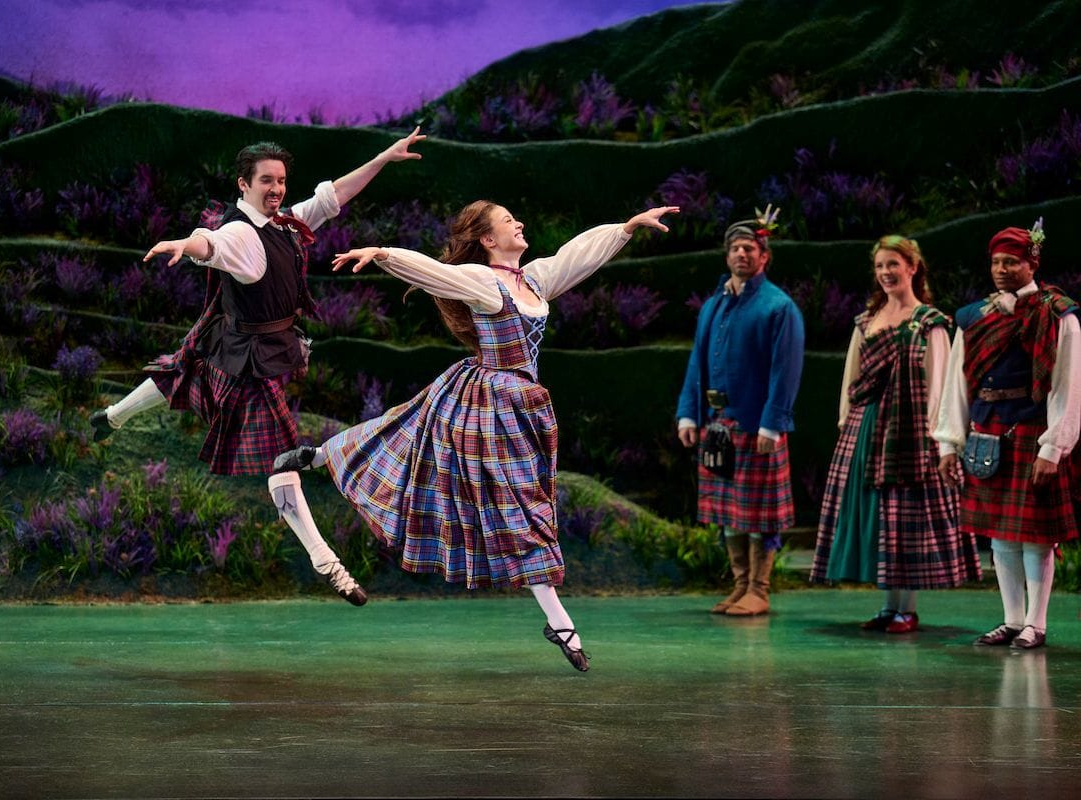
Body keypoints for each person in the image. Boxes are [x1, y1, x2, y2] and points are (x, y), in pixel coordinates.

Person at [269, 200, 679, 671]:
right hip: (491, 407)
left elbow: (576, 255)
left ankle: (318, 455)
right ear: (487, 240)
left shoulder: (535, 280)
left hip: (525, 406)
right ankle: (560, 622)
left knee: (423, 442)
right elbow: (438, 275)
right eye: (508, 221)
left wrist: (625, 226)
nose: (520, 223)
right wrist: (386, 254)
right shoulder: (486, 283)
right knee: (505, 497)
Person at [90, 128, 425, 603]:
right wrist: (187, 244)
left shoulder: (284, 223)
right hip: (247, 358)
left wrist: (384, 158)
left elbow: (331, 197)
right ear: (242, 185)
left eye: (282, 180)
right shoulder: (242, 234)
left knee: (182, 371)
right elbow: (214, 243)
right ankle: (325, 561)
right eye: (267, 181)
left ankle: (111, 417)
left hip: (233, 338)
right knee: (284, 453)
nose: (277, 189)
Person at [809, 235, 981, 632]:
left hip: (910, 431)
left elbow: (939, 383)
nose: (886, 273)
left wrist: (941, 440)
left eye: (894, 265)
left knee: (906, 518)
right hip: (867, 427)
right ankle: (889, 606)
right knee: (879, 517)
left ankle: (907, 607)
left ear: (912, 267)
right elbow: (851, 377)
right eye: (880, 266)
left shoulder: (931, 323)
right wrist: (846, 423)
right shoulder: (867, 321)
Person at [934, 220, 1080, 650]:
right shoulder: (973, 316)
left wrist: (1053, 446)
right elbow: (957, 384)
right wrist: (948, 442)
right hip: (986, 433)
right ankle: (1012, 620)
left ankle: (1037, 623)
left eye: (1011, 262)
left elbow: (1066, 385)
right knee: (1000, 534)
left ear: (1031, 263)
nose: (1001, 269)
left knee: (1036, 536)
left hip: (1032, 433)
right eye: (996, 262)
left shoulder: (1057, 314)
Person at [675, 207, 804, 616]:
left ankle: (760, 590)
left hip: (756, 426)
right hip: (718, 425)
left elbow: (786, 372)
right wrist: (688, 414)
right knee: (730, 513)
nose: (742, 254)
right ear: (727, 255)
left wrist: (773, 423)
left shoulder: (778, 307)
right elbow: (697, 360)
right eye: (735, 248)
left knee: (759, 514)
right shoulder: (714, 304)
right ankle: (740, 585)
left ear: (764, 257)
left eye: (750, 248)